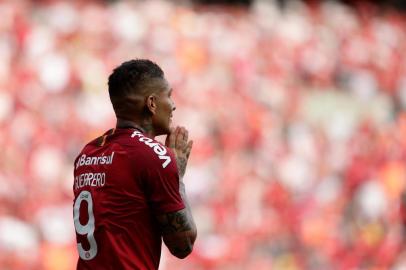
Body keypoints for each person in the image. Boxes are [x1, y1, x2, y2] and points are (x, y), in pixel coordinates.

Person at [73, 59, 197, 269]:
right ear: (151, 103)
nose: (173, 105)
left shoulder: (87, 154)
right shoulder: (154, 155)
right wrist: (178, 178)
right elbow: (183, 245)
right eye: (168, 95)